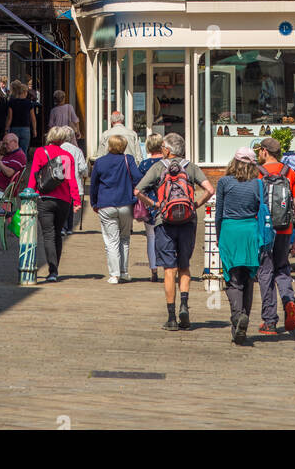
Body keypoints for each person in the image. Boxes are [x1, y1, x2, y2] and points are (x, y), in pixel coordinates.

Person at [135, 132, 214, 329]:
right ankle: (184, 306)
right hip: (188, 220)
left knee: (169, 269)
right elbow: (210, 190)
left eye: (163, 147)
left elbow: (137, 191)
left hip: (165, 221)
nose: (161, 150)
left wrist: (155, 204)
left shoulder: (158, 167)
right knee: (184, 266)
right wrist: (195, 204)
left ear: (168, 150)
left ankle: (171, 317)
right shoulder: (191, 167)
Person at [216, 149, 263, 344]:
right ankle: (244, 317)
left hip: (230, 230)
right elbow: (262, 211)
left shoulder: (224, 182)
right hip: (250, 231)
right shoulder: (259, 184)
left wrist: (220, 236)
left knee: (233, 278)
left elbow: (219, 212)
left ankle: (237, 318)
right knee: (249, 278)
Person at [256, 136, 295, 336]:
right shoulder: (290, 173)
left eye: (260, 151)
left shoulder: (257, 174)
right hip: (285, 229)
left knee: (265, 272)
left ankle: (269, 320)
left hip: (264, 230)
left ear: (265, 152)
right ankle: (289, 301)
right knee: (282, 269)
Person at [27, 125, 80, 282]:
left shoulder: (40, 152)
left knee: (48, 234)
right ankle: (54, 270)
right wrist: (76, 200)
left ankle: (52, 270)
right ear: (62, 139)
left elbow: (34, 176)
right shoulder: (67, 156)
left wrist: (30, 192)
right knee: (57, 234)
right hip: (63, 200)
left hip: (45, 198)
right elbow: (71, 180)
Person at [90, 134, 141, 284]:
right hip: (126, 203)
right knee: (125, 238)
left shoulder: (99, 162)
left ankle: (114, 274)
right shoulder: (128, 160)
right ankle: (124, 271)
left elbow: (93, 186)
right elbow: (138, 178)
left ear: (109, 146)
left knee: (111, 241)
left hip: (106, 204)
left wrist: (94, 203)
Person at [135, 134, 165, 281]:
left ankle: (154, 270)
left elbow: (139, 186)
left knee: (151, 237)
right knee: (168, 236)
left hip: (150, 204)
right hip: (167, 204)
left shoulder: (144, 165)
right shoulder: (168, 163)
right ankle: (169, 267)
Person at [59, 131, 88, 238]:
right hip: (74, 181)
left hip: (60, 181)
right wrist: (85, 175)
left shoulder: (59, 148)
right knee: (70, 204)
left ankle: (63, 227)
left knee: (62, 204)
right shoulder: (77, 150)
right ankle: (69, 227)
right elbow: (83, 168)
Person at [5, 80, 36, 154]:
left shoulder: (12, 102)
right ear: (25, 92)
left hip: (14, 128)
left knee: (13, 151)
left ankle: (14, 164)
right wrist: (34, 130)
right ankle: (23, 165)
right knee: (24, 152)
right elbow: (33, 118)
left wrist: (6, 129)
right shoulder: (29, 103)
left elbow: (9, 118)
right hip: (25, 128)